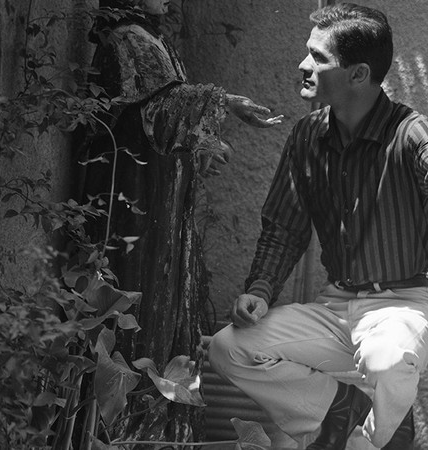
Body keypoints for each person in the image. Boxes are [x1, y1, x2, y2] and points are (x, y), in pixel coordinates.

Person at [208, 3, 428, 450]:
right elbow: (284, 227)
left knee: (388, 358)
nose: (303, 65)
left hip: (400, 308)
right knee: (228, 348)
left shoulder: (410, 130)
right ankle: (339, 409)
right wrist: (258, 291)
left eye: (318, 58)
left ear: (358, 74)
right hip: (335, 310)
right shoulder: (306, 135)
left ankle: (370, 441)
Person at [77, 0, 282, 442]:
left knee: (159, 310)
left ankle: (149, 431)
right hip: (131, 203)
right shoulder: (126, 36)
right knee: (131, 311)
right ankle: (124, 434)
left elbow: (161, 117)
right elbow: (153, 114)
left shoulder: (147, 34)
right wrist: (225, 103)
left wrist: (199, 145)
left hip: (156, 207)